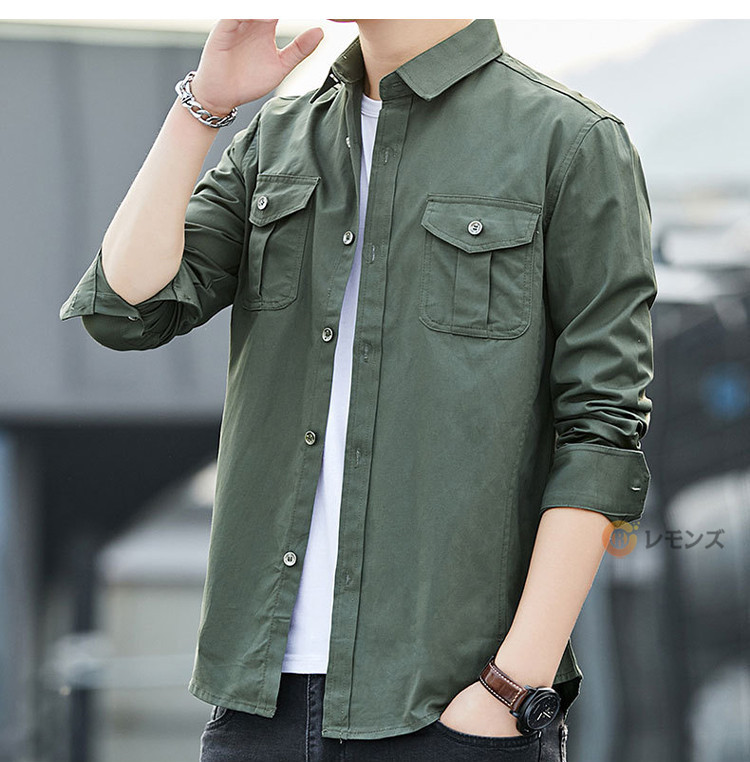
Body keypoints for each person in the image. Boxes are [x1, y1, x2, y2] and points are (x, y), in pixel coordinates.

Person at [59, 18, 657, 761]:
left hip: (453, 704)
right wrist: (202, 107)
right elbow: (127, 310)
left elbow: (601, 433)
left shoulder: (571, 141)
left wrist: (510, 688)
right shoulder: (279, 138)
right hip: (260, 705)